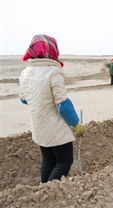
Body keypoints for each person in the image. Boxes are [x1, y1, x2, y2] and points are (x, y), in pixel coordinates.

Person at [19, 34, 84, 183]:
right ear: (52, 50)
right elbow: (63, 105)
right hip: (56, 129)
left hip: (39, 127)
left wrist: (39, 100)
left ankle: (43, 193)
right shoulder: (53, 71)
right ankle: (50, 192)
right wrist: (76, 124)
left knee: (48, 161)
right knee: (64, 162)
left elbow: (23, 99)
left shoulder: (25, 73)